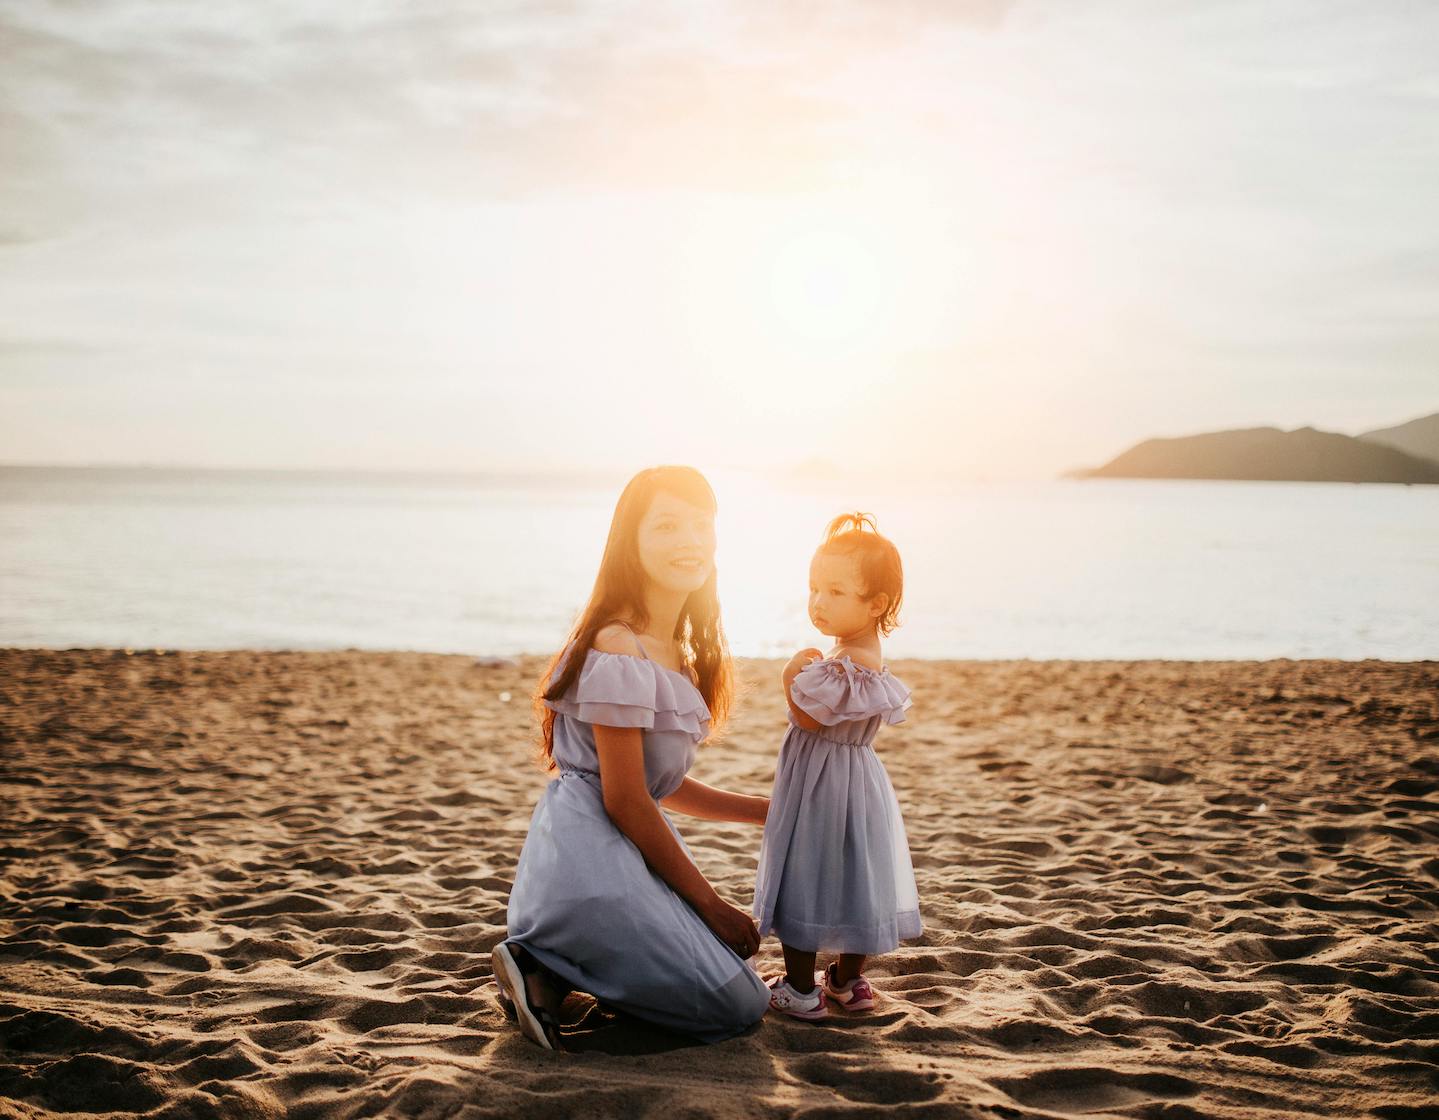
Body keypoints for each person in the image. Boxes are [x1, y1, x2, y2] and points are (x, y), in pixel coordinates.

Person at [493, 465, 772, 1049]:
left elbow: (659, 785)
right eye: (667, 526)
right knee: (738, 1004)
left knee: (738, 987)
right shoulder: (620, 645)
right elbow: (624, 799)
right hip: (587, 859)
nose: (689, 540)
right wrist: (712, 904)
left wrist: (764, 812)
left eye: (701, 525)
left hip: (613, 848)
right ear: (632, 541)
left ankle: (554, 977)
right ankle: (545, 962)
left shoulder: (680, 653)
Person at [753, 512, 922, 1020]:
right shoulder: (857, 654)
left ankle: (802, 990)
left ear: (876, 604)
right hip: (854, 779)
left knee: (805, 870)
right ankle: (847, 980)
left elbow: (811, 715)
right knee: (858, 873)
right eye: (813, 588)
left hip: (823, 781)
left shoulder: (850, 663)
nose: (818, 602)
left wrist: (789, 676)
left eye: (834, 591)